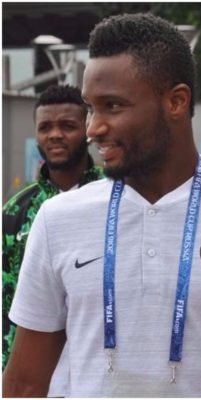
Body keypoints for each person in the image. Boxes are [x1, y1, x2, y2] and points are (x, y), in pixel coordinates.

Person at [3, 13, 201, 397]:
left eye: (112, 106)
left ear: (176, 101)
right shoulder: (58, 218)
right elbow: (23, 384)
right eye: (91, 108)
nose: (93, 128)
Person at [2, 84, 104, 395]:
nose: (55, 135)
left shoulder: (116, 193)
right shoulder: (15, 210)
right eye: (45, 127)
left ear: (87, 129)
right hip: (34, 377)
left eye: (67, 126)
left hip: (100, 371)